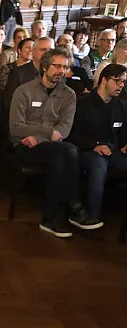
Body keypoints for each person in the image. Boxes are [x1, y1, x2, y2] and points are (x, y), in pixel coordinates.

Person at [9, 47, 99, 237]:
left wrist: (39, 136)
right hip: (24, 145)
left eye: (64, 67)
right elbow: (16, 127)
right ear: (44, 67)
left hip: (52, 147)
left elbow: (64, 130)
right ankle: (73, 207)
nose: (60, 71)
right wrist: (48, 132)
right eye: (56, 66)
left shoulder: (69, 95)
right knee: (69, 152)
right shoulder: (24, 91)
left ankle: (50, 219)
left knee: (60, 158)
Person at [68, 63, 127, 225]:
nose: (121, 86)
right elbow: (72, 134)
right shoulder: (83, 103)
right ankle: (91, 214)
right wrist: (94, 145)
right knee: (98, 164)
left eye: (123, 82)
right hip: (87, 150)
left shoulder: (121, 106)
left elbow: (122, 133)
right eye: (117, 81)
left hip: (113, 151)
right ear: (103, 81)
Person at [4, 37, 53, 101]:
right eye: (43, 49)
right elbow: (9, 101)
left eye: (51, 50)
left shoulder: (57, 74)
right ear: (33, 52)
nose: (47, 53)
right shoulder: (18, 73)